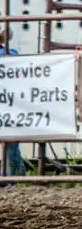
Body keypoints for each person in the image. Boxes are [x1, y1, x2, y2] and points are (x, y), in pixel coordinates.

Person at [0, 29, 26, 177]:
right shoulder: (12, 54)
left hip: (7, 104)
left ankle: (14, 177)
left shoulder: (10, 54)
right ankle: (15, 177)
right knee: (11, 144)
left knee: (10, 144)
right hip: (9, 105)